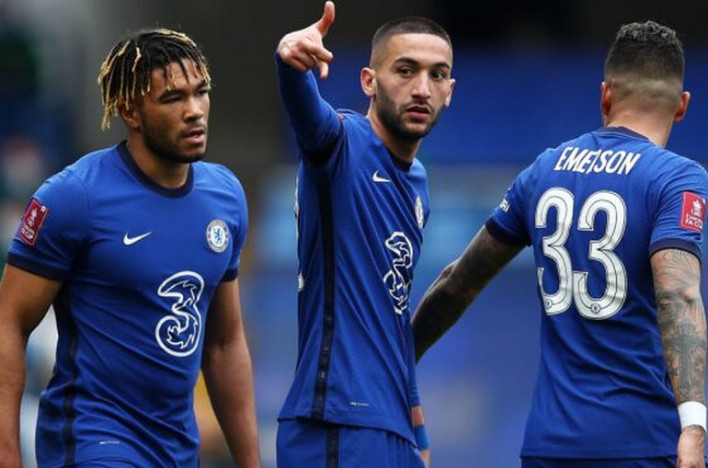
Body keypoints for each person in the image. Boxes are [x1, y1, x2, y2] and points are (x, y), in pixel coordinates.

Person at [412, 20, 707, 468]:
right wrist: (694, 423)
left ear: (605, 95)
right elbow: (678, 294)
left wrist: (397, 364)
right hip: (642, 443)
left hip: (549, 446)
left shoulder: (544, 170)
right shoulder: (677, 178)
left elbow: (458, 282)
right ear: (682, 106)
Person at [0, 28, 260, 468]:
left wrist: (250, 462)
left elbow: (223, 342)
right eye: (173, 98)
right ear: (130, 111)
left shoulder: (226, 198)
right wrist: (6, 451)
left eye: (201, 92)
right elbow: (9, 322)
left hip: (177, 448)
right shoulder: (74, 197)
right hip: (94, 439)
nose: (195, 111)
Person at [274, 2, 455, 467]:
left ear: (450, 91)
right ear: (369, 81)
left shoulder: (418, 185)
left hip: (391, 428)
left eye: (437, 75)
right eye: (405, 71)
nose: (422, 89)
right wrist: (290, 62)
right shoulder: (341, 143)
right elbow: (307, 115)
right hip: (336, 422)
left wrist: (417, 429)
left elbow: (391, 316)